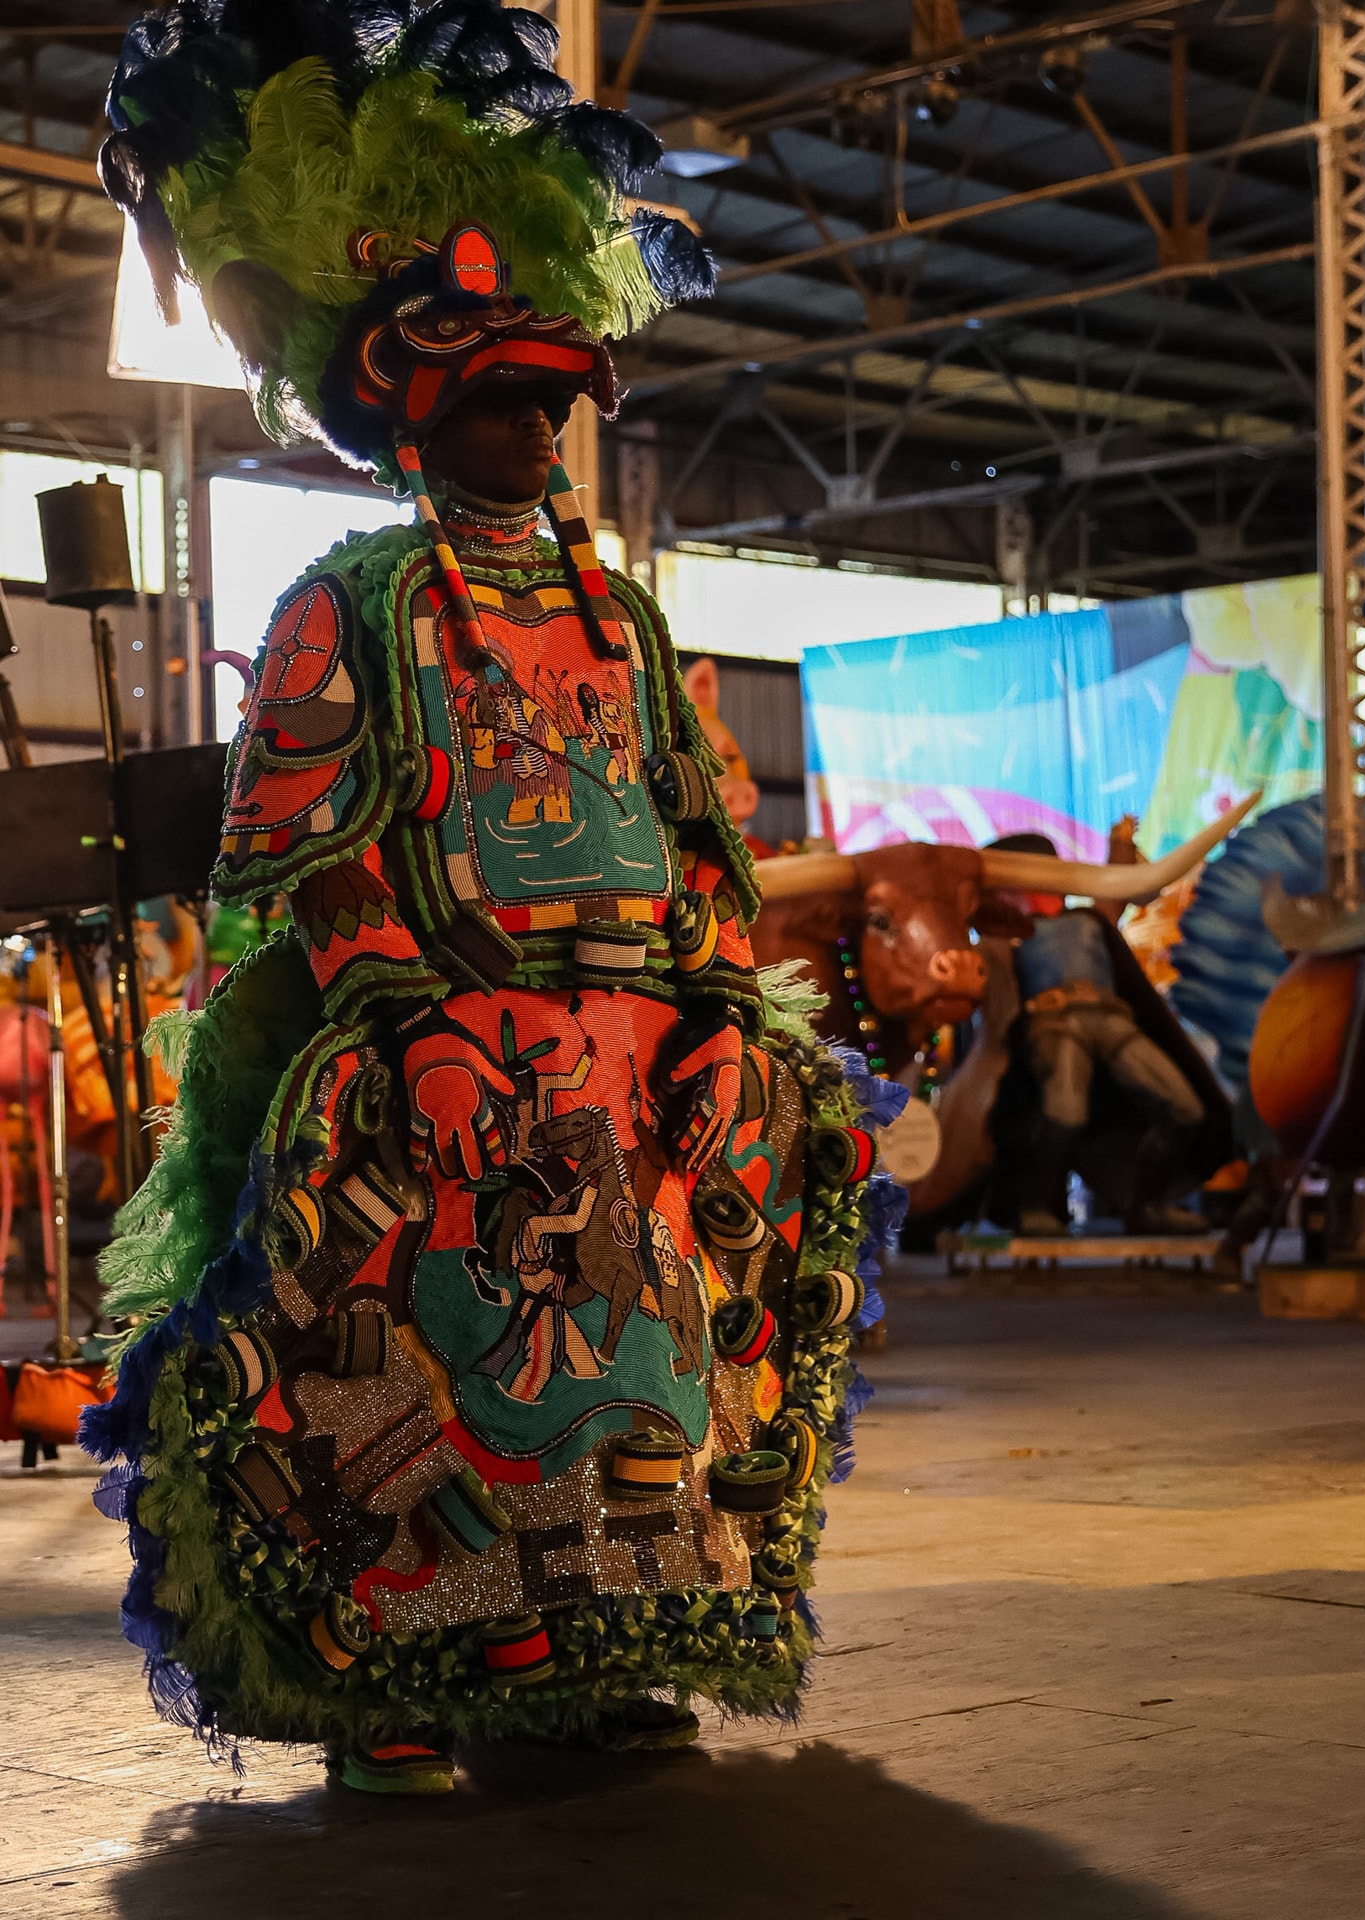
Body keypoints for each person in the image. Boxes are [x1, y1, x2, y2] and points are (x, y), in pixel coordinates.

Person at [84, 0, 896, 1794]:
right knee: (414, 1340)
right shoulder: (354, 599)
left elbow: (699, 827)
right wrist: (405, 981)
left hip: (629, 1039)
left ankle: (602, 1653)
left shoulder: (621, 608)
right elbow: (279, 855)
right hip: (440, 1047)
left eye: (555, 397)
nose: (543, 430)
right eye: (508, 398)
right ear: (423, 404)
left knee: (647, 1357)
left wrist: (698, 982)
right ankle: (387, 1678)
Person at [985, 831, 1230, 1236]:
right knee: (1064, 1112)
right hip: (1053, 1025)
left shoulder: (1088, 919)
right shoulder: (1007, 941)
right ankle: (1037, 1205)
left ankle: (1147, 1205)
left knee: (1185, 1109)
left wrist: (1121, 846)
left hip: (1113, 1021)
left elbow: (1118, 887)